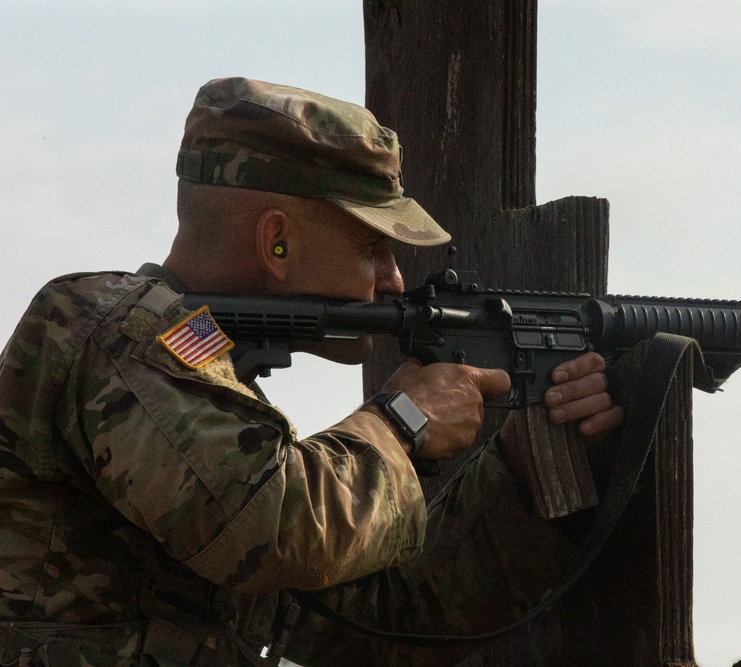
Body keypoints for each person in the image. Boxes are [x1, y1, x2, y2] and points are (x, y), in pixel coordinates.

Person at [0, 77, 624, 666]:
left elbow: (377, 626)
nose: (394, 281)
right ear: (278, 242)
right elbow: (272, 525)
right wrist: (401, 421)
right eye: (372, 248)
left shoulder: (208, 387)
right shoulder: (118, 328)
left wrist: (524, 465)